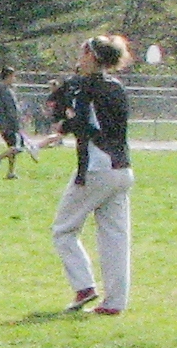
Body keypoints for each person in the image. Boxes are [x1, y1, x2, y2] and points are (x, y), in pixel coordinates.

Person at [52, 36, 134, 315]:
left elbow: (82, 121)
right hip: (122, 169)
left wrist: (63, 126)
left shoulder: (85, 86)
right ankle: (114, 303)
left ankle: (84, 285)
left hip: (96, 169)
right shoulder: (117, 87)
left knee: (63, 230)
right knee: (116, 238)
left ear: (91, 55)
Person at [0, 67, 37, 179]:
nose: (14, 79)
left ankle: (11, 172)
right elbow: (11, 109)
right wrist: (17, 122)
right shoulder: (6, 91)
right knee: (18, 147)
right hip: (10, 124)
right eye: (13, 76)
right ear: (9, 76)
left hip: (2, 124)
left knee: (11, 147)